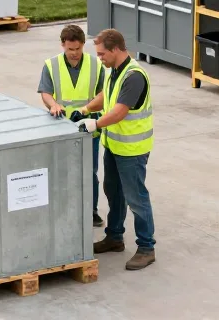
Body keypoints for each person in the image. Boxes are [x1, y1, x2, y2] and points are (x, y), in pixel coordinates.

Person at [78, 29, 156, 271]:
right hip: (114, 145)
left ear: (115, 50)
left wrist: (95, 123)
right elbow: (106, 96)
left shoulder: (134, 76)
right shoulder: (114, 71)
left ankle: (146, 247)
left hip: (132, 150)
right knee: (113, 192)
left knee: (136, 198)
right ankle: (114, 237)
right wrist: (84, 110)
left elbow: (120, 110)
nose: (99, 58)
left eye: (102, 54)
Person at [38, 25, 106, 228]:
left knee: (89, 171)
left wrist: (86, 109)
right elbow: (45, 92)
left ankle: (91, 211)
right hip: (60, 126)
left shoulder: (96, 65)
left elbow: (104, 95)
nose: (74, 53)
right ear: (62, 45)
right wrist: (53, 105)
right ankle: (62, 209)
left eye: (77, 49)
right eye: (70, 49)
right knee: (60, 170)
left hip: (88, 127)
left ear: (83, 44)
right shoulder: (51, 65)